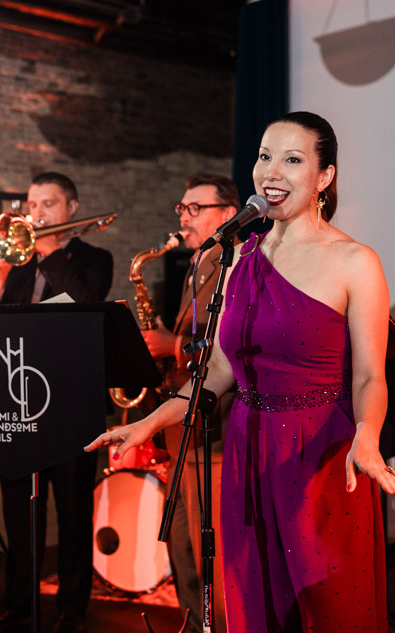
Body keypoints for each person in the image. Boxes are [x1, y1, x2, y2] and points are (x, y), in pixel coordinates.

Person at [87, 111, 395, 631]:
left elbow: (371, 376)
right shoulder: (239, 260)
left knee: (329, 610)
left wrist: (367, 437)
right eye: (264, 157)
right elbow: (215, 371)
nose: (272, 172)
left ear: (324, 177)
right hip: (248, 447)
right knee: (255, 601)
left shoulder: (355, 261)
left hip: (321, 454)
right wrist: (150, 422)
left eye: (293, 160)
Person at [0, 172, 113, 633]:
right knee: (19, 510)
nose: (37, 213)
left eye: (48, 204)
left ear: (71, 208)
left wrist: (50, 254)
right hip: (18, 403)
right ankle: (17, 599)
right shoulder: (15, 263)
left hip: (72, 407)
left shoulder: (94, 258)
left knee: (73, 512)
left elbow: (85, 302)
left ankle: (72, 608)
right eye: (32, 204)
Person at [140, 173, 240, 632]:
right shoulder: (197, 262)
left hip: (213, 427)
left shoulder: (236, 263)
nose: (183, 217)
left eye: (194, 208)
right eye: (182, 208)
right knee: (180, 546)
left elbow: (232, 348)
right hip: (180, 427)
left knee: (209, 553)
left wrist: (172, 343)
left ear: (227, 214)